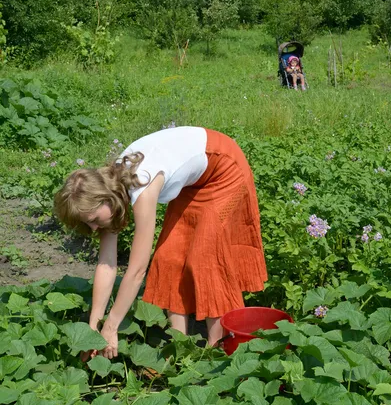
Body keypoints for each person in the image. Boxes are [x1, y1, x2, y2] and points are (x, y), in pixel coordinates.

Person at [54, 126, 268, 359]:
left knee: (205, 260)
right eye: (88, 224)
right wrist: (93, 329)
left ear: (105, 199)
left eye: (94, 220)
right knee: (168, 257)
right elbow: (107, 264)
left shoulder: (143, 188)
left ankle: (219, 350)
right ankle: (179, 349)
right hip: (194, 181)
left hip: (224, 168)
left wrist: (112, 326)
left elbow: (136, 272)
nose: (94, 228)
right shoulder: (109, 193)